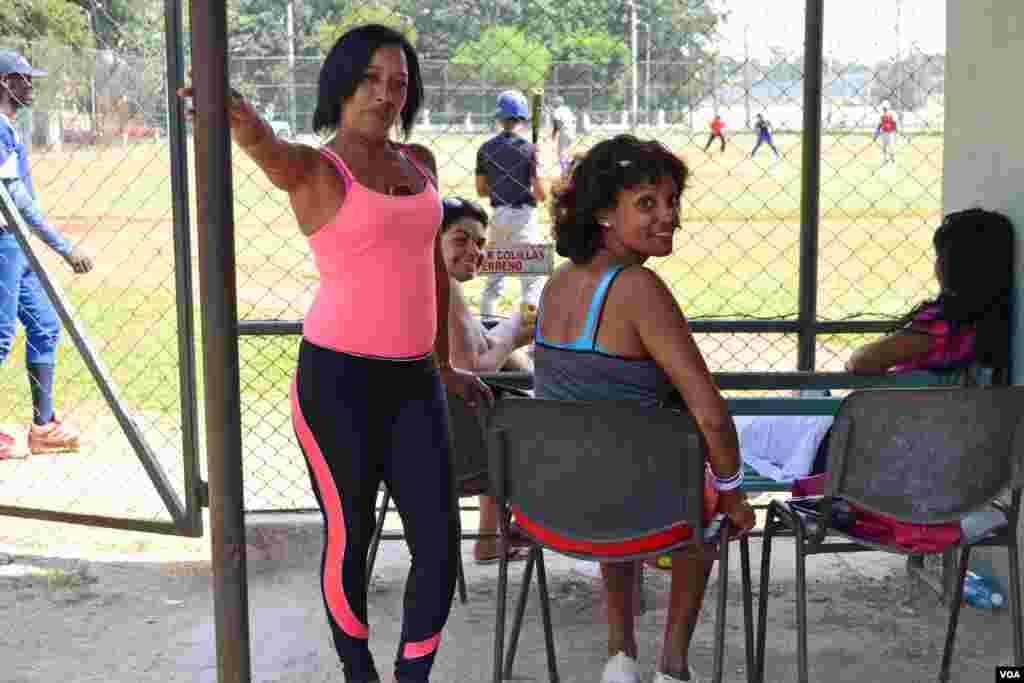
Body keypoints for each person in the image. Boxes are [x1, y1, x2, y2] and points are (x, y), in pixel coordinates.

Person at [180, 24, 492, 683]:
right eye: (371, 79)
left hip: (416, 385)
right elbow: (269, 150)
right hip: (336, 385)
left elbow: (432, 272)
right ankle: (359, 674)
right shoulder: (320, 169)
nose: (385, 94)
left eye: (399, 83)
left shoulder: (422, 164)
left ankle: (411, 677)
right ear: (343, 84)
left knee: (439, 551)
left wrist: (444, 365)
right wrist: (238, 118)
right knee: (349, 542)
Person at [529, 134, 755, 683]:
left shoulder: (557, 283)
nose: (669, 217)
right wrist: (733, 490)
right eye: (648, 204)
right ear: (605, 214)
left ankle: (620, 656)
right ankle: (673, 667)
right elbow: (711, 415)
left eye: (673, 201)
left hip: (557, 501)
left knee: (615, 468)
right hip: (631, 502)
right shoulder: (639, 288)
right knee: (703, 496)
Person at [805, 207, 1013, 475]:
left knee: (774, 416)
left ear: (949, 266)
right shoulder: (992, 324)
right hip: (937, 452)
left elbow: (862, 362)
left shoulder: (945, 323)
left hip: (881, 445)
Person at [0, 48, 92, 460]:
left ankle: (43, 425)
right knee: (1, 339)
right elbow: (16, 198)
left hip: (17, 244)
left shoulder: (10, 126)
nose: (31, 85)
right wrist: (65, 247)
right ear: (5, 82)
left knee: (44, 326)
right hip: (4, 242)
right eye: (24, 78)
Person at [438, 195, 534, 566]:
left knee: (507, 384)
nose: (474, 251)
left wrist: (507, 338)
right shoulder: (441, 288)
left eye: (479, 243)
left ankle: (492, 535)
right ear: (433, 241)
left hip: (408, 446)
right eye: (460, 240)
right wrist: (511, 334)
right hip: (460, 456)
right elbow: (471, 367)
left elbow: (470, 351)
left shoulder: (430, 284)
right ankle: (519, 527)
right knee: (519, 406)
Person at [475, 89, 549, 318]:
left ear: (499, 118)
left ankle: (487, 324)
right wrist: (539, 166)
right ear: (524, 118)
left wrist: (502, 187)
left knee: (493, 281)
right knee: (532, 282)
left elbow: (481, 190)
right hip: (524, 219)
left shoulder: (485, 149)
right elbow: (542, 194)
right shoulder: (529, 150)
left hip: (498, 216)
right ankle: (529, 337)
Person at [549, 95, 577, 173]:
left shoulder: (557, 110)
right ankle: (569, 168)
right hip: (572, 131)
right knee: (566, 151)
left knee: (561, 152)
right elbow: (574, 120)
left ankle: (564, 170)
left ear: (557, 103)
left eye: (554, 103)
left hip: (564, 131)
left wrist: (554, 134)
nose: (553, 104)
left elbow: (556, 122)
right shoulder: (567, 109)